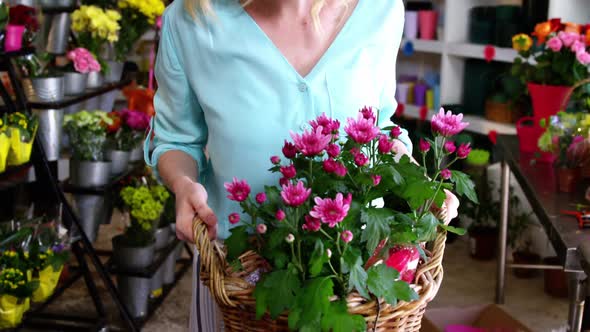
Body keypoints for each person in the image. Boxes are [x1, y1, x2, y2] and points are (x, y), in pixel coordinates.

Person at [144, 0, 459, 330]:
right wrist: (183, 184)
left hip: (354, 275)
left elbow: (378, 129)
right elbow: (176, 140)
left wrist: (420, 183)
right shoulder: (191, 19)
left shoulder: (379, 9)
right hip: (236, 278)